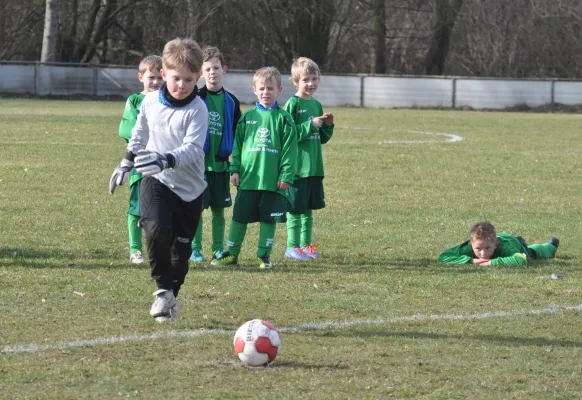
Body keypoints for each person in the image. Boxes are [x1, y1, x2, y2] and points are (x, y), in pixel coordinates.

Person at [109, 38, 208, 322]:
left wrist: (166, 158)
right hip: (157, 180)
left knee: (181, 250)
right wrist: (127, 161)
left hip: (190, 189)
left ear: (197, 77)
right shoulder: (151, 101)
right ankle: (162, 291)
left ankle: (171, 295)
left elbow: (193, 148)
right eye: (176, 78)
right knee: (155, 230)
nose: (182, 85)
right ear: (164, 74)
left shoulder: (198, 109)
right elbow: (139, 133)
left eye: (189, 80)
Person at [211, 66, 298, 269]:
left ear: (279, 90)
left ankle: (264, 255)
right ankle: (232, 254)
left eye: (270, 88)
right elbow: (238, 147)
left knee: (269, 219)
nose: (265, 92)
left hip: (272, 181)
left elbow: (289, 151)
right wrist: (235, 169)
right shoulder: (247, 118)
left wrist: (286, 175)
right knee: (239, 217)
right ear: (254, 90)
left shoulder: (284, 119)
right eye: (261, 88)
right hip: (248, 179)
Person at [189, 46, 242, 264]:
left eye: (216, 68)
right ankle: (195, 249)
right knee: (196, 211)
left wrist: (235, 166)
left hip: (221, 167)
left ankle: (218, 249)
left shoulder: (232, 101)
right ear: (201, 72)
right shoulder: (195, 98)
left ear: (224, 69)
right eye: (208, 68)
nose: (213, 72)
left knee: (219, 212)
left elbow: (238, 137)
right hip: (198, 167)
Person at [282, 57, 334, 260]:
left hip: (313, 167)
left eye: (314, 78)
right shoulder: (292, 104)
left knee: (308, 210)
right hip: (297, 168)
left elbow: (320, 139)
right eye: (305, 79)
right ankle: (291, 247)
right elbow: (287, 135)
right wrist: (309, 125)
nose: (311, 83)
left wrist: (327, 125)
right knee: (295, 210)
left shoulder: (317, 105)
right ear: (296, 81)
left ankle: (306, 246)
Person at [118, 55, 163, 265]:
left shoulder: (167, 98)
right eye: (151, 77)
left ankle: (161, 248)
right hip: (140, 163)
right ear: (140, 77)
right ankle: (135, 250)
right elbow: (128, 130)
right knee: (137, 208)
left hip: (163, 164)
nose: (155, 82)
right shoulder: (135, 100)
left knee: (162, 209)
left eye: (159, 78)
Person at [437, 221, 559, 266]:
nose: (483, 253)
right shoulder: (469, 247)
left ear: (496, 244)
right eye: (478, 248)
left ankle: (551, 245)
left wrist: (491, 262)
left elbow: (521, 260)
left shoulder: (503, 247)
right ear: (471, 245)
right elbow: (443, 257)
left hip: (511, 241)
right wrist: (472, 260)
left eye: (487, 248)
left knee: (532, 253)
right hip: (498, 238)